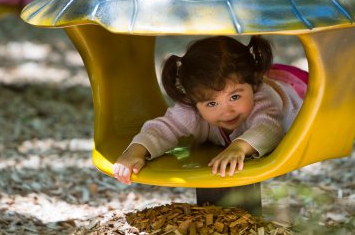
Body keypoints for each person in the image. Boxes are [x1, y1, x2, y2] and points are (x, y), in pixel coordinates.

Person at [113, 36, 308, 185]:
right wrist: (136, 151)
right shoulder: (194, 107)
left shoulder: (262, 99)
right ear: (194, 101)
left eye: (234, 97)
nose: (227, 111)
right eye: (212, 104)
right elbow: (164, 127)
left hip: (298, 92)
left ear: (254, 84)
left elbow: (269, 128)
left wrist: (239, 148)